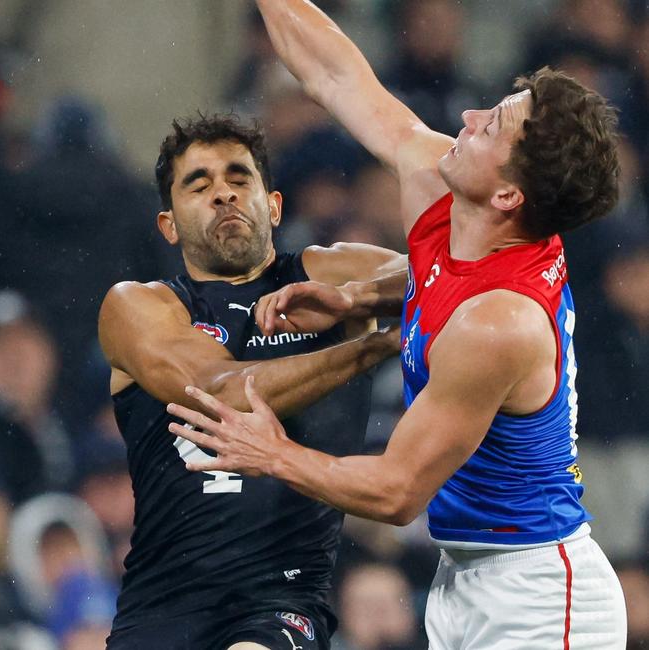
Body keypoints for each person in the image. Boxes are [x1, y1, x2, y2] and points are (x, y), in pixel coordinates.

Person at [169, 1, 627, 648]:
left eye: (490, 126)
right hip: (467, 576)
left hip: (539, 600)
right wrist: (363, 298)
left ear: (507, 196)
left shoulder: (500, 324)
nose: (466, 118)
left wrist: (271, 453)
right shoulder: (458, 199)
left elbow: (397, 492)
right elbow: (335, 76)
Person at [97, 113, 405, 650]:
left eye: (240, 180)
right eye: (200, 184)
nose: (224, 195)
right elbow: (215, 390)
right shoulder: (139, 305)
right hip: (159, 609)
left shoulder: (327, 275)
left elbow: (453, 273)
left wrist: (357, 299)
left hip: (282, 601)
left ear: (275, 206)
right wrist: (372, 348)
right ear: (168, 224)